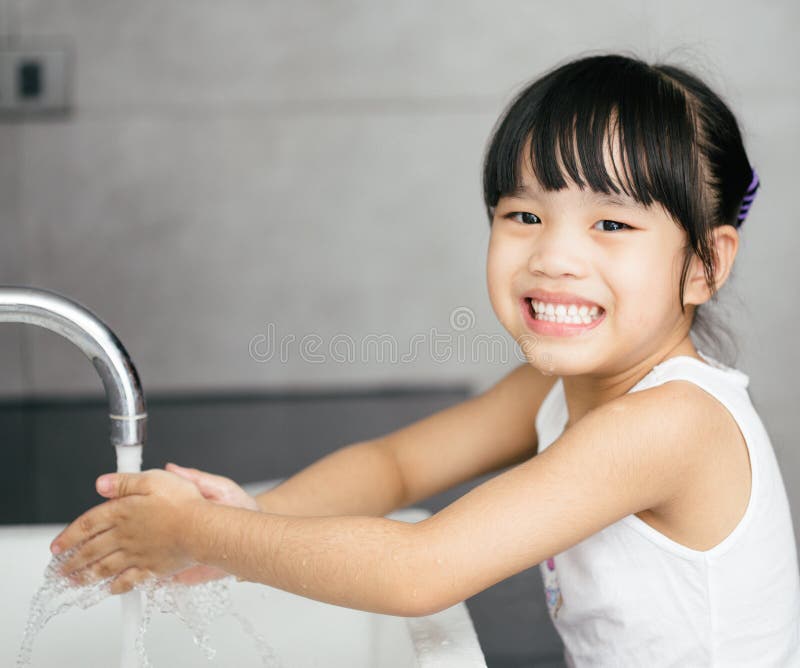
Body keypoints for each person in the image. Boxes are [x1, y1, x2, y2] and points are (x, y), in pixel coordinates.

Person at [51, 52, 800, 666]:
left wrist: (198, 534)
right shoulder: (557, 387)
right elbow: (396, 466)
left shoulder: (673, 422)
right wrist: (256, 517)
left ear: (704, 265)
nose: (555, 256)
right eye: (524, 215)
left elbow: (419, 569)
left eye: (610, 222)